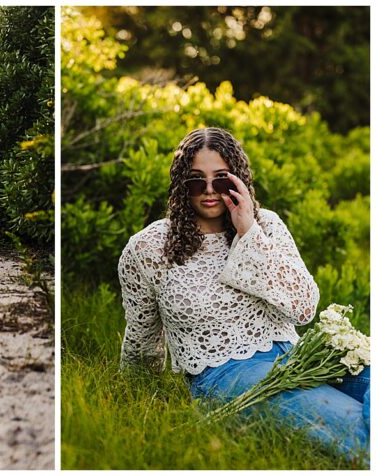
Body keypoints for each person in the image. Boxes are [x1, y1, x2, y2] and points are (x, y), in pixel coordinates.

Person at [117, 127, 369, 462]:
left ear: (236, 179)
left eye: (220, 180)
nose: (208, 191)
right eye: (195, 181)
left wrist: (248, 230)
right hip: (227, 375)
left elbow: (305, 306)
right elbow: (142, 336)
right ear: (181, 185)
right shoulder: (148, 248)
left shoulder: (267, 226)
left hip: (300, 353)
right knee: (355, 428)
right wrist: (131, 402)